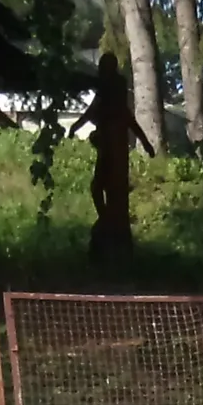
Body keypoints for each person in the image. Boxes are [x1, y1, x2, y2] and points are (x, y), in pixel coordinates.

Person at [83, 50, 154, 261]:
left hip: (114, 152)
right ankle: (106, 220)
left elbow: (127, 118)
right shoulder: (107, 94)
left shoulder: (114, 91)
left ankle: (109, 224)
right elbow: (96, 110)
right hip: (109, 149)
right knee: (99, 188)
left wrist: (146, 143)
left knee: (108, 191)